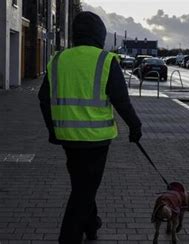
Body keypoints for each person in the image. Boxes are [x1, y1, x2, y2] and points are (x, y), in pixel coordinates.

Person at [38, 12, 142, 243]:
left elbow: (43, 98)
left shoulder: (58, 59)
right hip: (96, 140)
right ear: (99, 34)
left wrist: (53, 130)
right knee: (83, 191)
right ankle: (69, 238)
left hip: (67, 138)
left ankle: (92, 225)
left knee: (82, 185)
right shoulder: (106, 60)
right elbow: (121, 101)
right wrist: (135, 127)